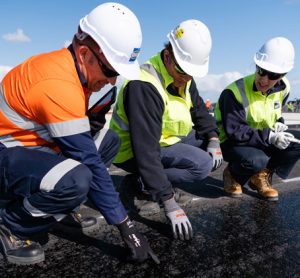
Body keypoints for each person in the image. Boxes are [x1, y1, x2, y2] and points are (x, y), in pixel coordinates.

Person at [0, 2, 159, 265]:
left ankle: (56, 210)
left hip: (32, 148)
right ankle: (11, 222)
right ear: (85, 53)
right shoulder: (58, 83)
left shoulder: (77, 72)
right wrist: (125, 226)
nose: (111, 80)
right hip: (7, 153)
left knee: (109, 142)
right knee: (78, 178)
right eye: (110, 71)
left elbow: (88, 139)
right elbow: (87, 161)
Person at [110, 19, 223, 240]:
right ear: (167, 55)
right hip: (131, 150)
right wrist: (169, 202)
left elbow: (199, 111)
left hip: (166, 139)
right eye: (183, 72)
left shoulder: (183, 75)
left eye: (191, 73)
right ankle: (140, 184)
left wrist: (213, 139)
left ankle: (153, 182)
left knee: (208, 148)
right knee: (202, 165)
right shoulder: (144, 85)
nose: (186, 78)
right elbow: (146, 150)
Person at [214, 37, 300, 201]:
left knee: (296, 143)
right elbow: (235, 132)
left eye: (272, 75)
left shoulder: (285, 88)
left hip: (261, 137)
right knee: (256, 160)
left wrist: (278, 124)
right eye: (261, 70)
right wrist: (269, 137)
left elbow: (274, 110)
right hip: (233, 142)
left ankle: (260, 176)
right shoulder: (234, 92)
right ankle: (232, 173)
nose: (264, 79)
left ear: (282, 75)